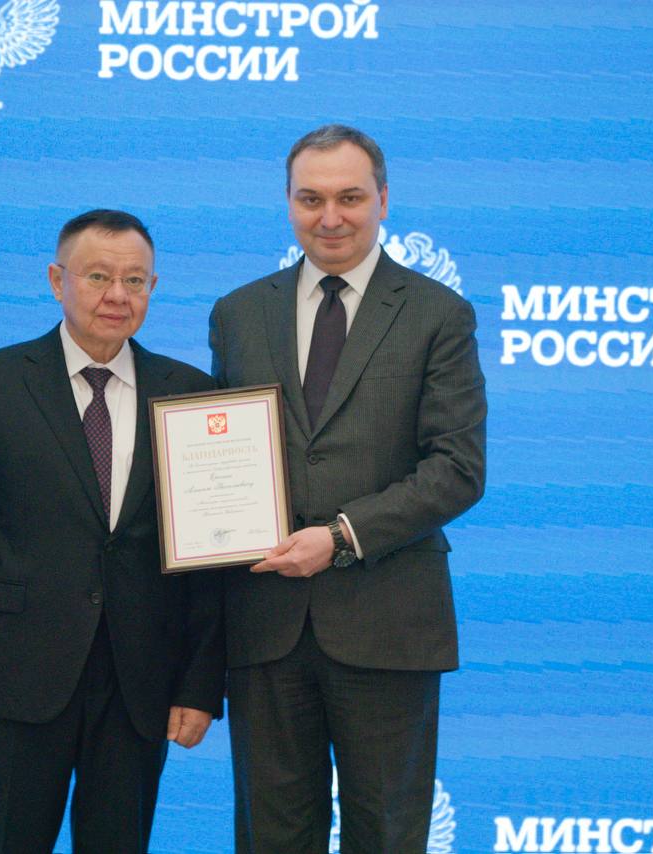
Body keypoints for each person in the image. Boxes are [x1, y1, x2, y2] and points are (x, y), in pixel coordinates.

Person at [208, 125, 487, 853]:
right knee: (270, 840)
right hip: (264, 625)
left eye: (350, 198)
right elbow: (219, 457)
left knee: (387, 837)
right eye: (311, 199)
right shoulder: (238, 313)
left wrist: (339, 539)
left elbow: (458, 467)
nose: (330, 217)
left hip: (388, 622)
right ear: (288, 203)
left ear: (383, 200)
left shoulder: (438, 314)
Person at [0, 209, 224, 854]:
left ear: (153, 288)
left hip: (139, 684)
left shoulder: (190, 393)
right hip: (14, 677)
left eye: (134, 280)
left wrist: (199, 686)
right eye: (98, 276)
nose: (117, 295)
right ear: (58, 281)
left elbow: (207, 557)